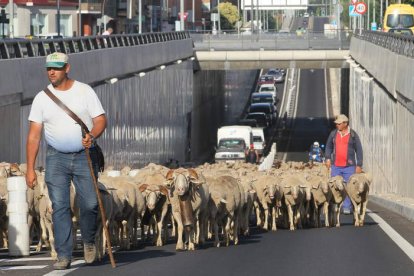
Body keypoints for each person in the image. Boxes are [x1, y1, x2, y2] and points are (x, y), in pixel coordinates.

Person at [26, 52, 107, 270]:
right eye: (48, 68)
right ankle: (64, 255)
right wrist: (30, 169)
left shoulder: (84, 91)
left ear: (67, 68)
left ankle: (89, 241)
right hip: (56, 158)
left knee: (90, 203)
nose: (51, 72)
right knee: (60, 207)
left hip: (84, 156)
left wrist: (92, 135)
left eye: (56, 67)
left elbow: (100, 120)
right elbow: (34, 136)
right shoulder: (41, 98)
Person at [325, 114, 363, 215]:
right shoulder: (333, 134)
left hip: (349, 166)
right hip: (336, 166)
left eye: (339, 123)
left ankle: (347, 206)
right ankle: (335, 205)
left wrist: (359, 165)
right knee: (335, 186)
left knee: (348, 187)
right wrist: (328, 158)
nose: (337, 125)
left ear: (345, 124)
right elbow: (328, 146)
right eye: (336, 124)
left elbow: (359, 150)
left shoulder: (353, 135)